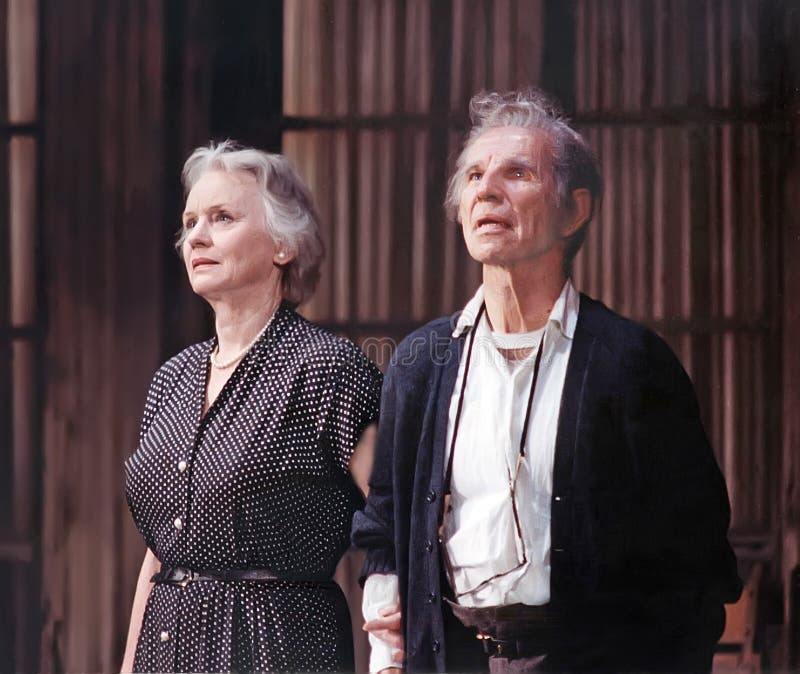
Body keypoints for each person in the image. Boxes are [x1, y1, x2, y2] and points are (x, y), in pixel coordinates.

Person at [351, 89, 742, 673]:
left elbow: (696, 556)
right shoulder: (421, 361)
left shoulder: (630, 362)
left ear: (574, 211)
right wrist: (387, 653)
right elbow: (384, 522)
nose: (487, 189)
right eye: (475, 175)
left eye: (517, 172)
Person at [121, 141, 382, 673]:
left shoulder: (328, 369)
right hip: (164, 650)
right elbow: (163, 551)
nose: (196, 236)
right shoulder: (173, 377)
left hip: (276, 646)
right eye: (190, 221)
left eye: (222, 218)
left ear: (283, 246)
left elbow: (396, 516)